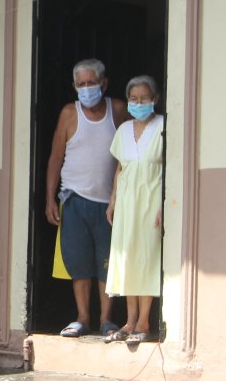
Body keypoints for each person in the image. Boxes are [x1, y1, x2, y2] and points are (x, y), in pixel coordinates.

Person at [46, 58, 130, 338]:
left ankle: (107, 319)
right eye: (81, 84)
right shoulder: (69, 113)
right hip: (74, 198)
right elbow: (56, 158)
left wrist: (122, 196)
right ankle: (82, 317)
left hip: (108, 203)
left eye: (91, 82)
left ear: (104, 83)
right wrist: (50, 199)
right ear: (74, 87)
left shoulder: (117, 110)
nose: (87, 88)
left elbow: (130, 152)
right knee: (79, 263)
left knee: (107, 263)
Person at [104, 76, 165, 345]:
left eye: (144, 98)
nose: (139, 103)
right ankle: (129, 321)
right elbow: (120, 167)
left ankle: (144, 322)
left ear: (155, 99)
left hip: (151, 200)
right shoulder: (123, 130)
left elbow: (170, 167)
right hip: (127, 201)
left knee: (146, 257)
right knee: (127, 255)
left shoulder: (163, 126)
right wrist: (113, 199)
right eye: (134, 99)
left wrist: (165, 205)